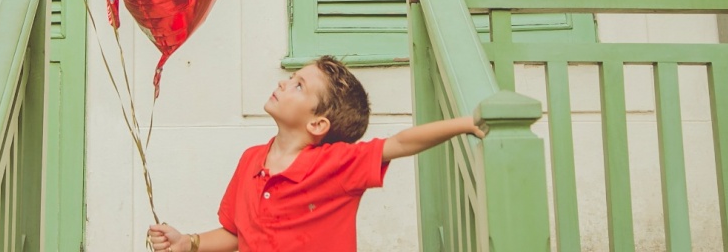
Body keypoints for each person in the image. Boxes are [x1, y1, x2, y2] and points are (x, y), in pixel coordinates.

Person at [147, 55, 484, 252]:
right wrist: (187, 242)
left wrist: (466, 123)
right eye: (290, 78)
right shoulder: (250, 160)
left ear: (318, 124)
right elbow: (235, 234)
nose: (283, 84)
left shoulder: (337, 164)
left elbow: (401, 143)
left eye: (298, 86)